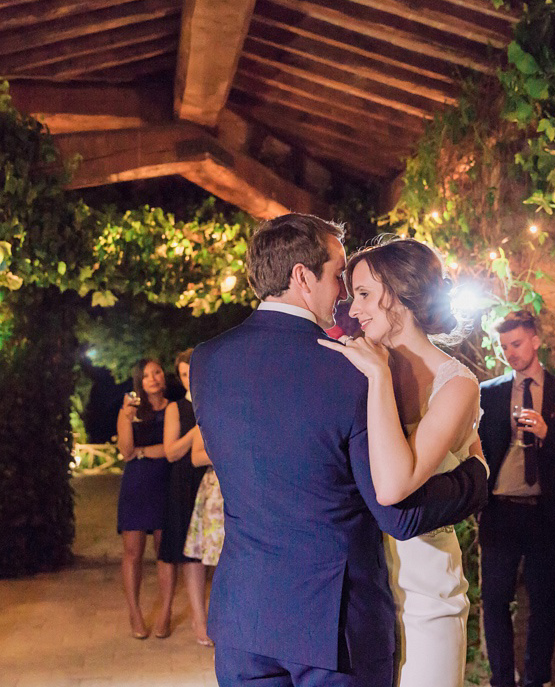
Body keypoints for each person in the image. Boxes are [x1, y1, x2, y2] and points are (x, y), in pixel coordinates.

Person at [190, 213, 489, 687]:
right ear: (302, 277)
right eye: (337, 277)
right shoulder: (353, 369)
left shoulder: (207, 362)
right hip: (330, 623)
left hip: (242, 616)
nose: (345, 297)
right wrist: (476, 478)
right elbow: (397, 512)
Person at [319, 237, 483, 687]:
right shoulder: (356, 364)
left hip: (426, 595)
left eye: (365, 294)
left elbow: (395, 486)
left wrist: (377, 376)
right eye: (353, 296)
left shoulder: (456, 385)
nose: (353, 310)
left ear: (401, 291)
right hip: (360, 592)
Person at [477, 310, 555, 687]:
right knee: (494, 600)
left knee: (543, 604)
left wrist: (547, 433)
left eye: (517, 344)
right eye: (504, 346)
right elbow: (475, 450)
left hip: (547, 512)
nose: (510, 352)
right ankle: (501, 680)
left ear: (535, 340)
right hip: (501, 510)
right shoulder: (490, 393)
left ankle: (537, 680)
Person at [115, 357, 173, 640]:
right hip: (136, 484)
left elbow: (170, 449)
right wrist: (126, 418)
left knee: (165, 553)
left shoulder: (174, 408)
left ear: (164, 376)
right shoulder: (130, 411)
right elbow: (126, 452)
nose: (153, 378)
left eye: (157, 372)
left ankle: (165, 613)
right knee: (132, 552)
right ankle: (134, 612)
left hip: (166, 482)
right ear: (140, 380)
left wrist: (144, 451)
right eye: (147, 375)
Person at [160, 348, 210, 645]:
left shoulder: (217, 400)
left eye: (192, 371)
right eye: (183, 374)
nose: (189, 378)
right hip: (184, 482)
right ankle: (198, 619)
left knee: (213, 551)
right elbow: (171, 452)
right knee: (191, 554)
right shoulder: (177, 408)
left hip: (213, 480)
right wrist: (196, 429)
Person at [183, 427, 225, 566]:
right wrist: (233, 454)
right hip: (218, 488)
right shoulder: (212, 415)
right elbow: (197, 457)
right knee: (218, 552)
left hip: (249, 487)